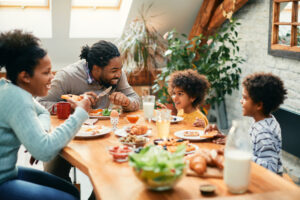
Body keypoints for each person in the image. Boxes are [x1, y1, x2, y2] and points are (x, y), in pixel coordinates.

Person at [0, 30, 93, 200]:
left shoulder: (10, 88)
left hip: (8, 173)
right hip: (3, 181)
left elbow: (42, 112)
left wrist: (38, 135)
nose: (52, 77)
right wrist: (80, 113)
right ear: (25, 76)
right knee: (70, 198)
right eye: (46, 72)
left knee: (72, 191)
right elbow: (45, 152)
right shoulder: (17, 97)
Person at [206, 72, 287, 175]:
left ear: (258, 105)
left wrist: (239, 152)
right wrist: (230, 140)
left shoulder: (264, 132)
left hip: (265, 180)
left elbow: (271, 167)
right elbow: (253, 147)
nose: (241, 101)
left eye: (245, 98)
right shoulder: (261, 121)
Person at [37, 40, 140, 113]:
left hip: (103, 130)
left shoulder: (117, 75)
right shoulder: (67, 76)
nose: (118, 74)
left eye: (120, 69)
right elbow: (40, 105)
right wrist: (73, 106)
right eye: (114, 71)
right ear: (96, 69)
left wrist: (127, 102)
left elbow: (135, 99)